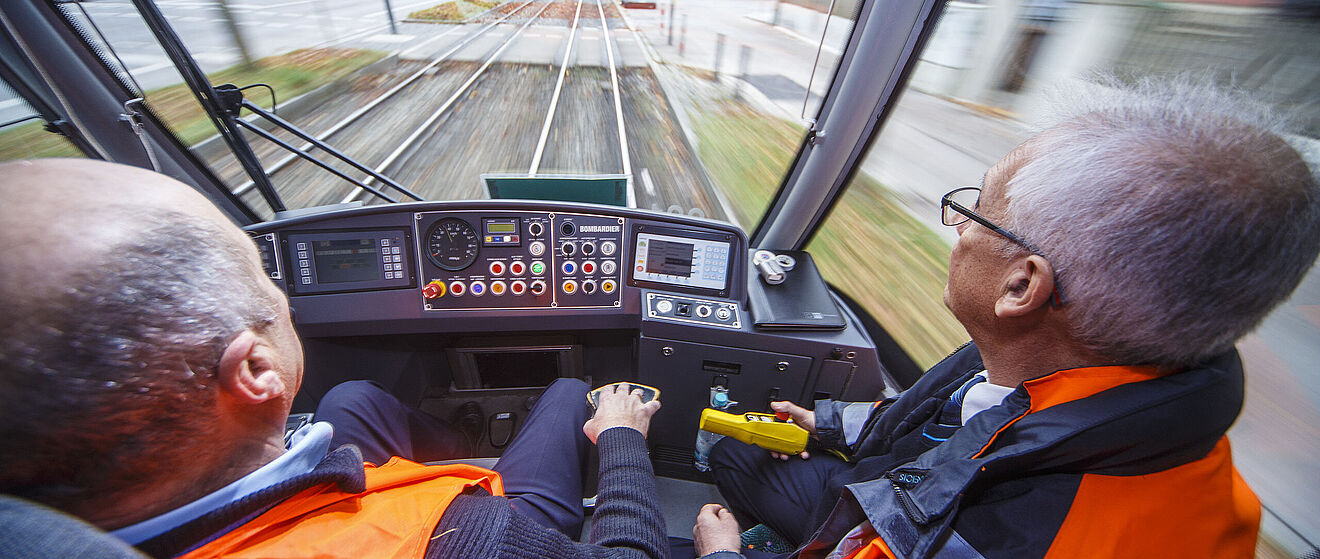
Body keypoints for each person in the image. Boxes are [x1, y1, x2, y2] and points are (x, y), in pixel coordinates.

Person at [693, 80, 1320, 558]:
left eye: (978, 211)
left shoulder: (1004, 537)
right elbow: (950, 426)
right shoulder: (1078, 366)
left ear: (1022, 285)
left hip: (920, 519)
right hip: (916, 486)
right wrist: (827, 423)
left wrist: (722, 554)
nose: (961, 227)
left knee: (729, 457)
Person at [0, 158, 667, 558]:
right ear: (256, 370)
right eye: (262, 282)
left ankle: (467, 436)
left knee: (350, 397)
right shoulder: (467, 538)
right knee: (566, 393)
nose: (281, 295)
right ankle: (520, 438)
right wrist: (620, 436)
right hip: (484, 512)